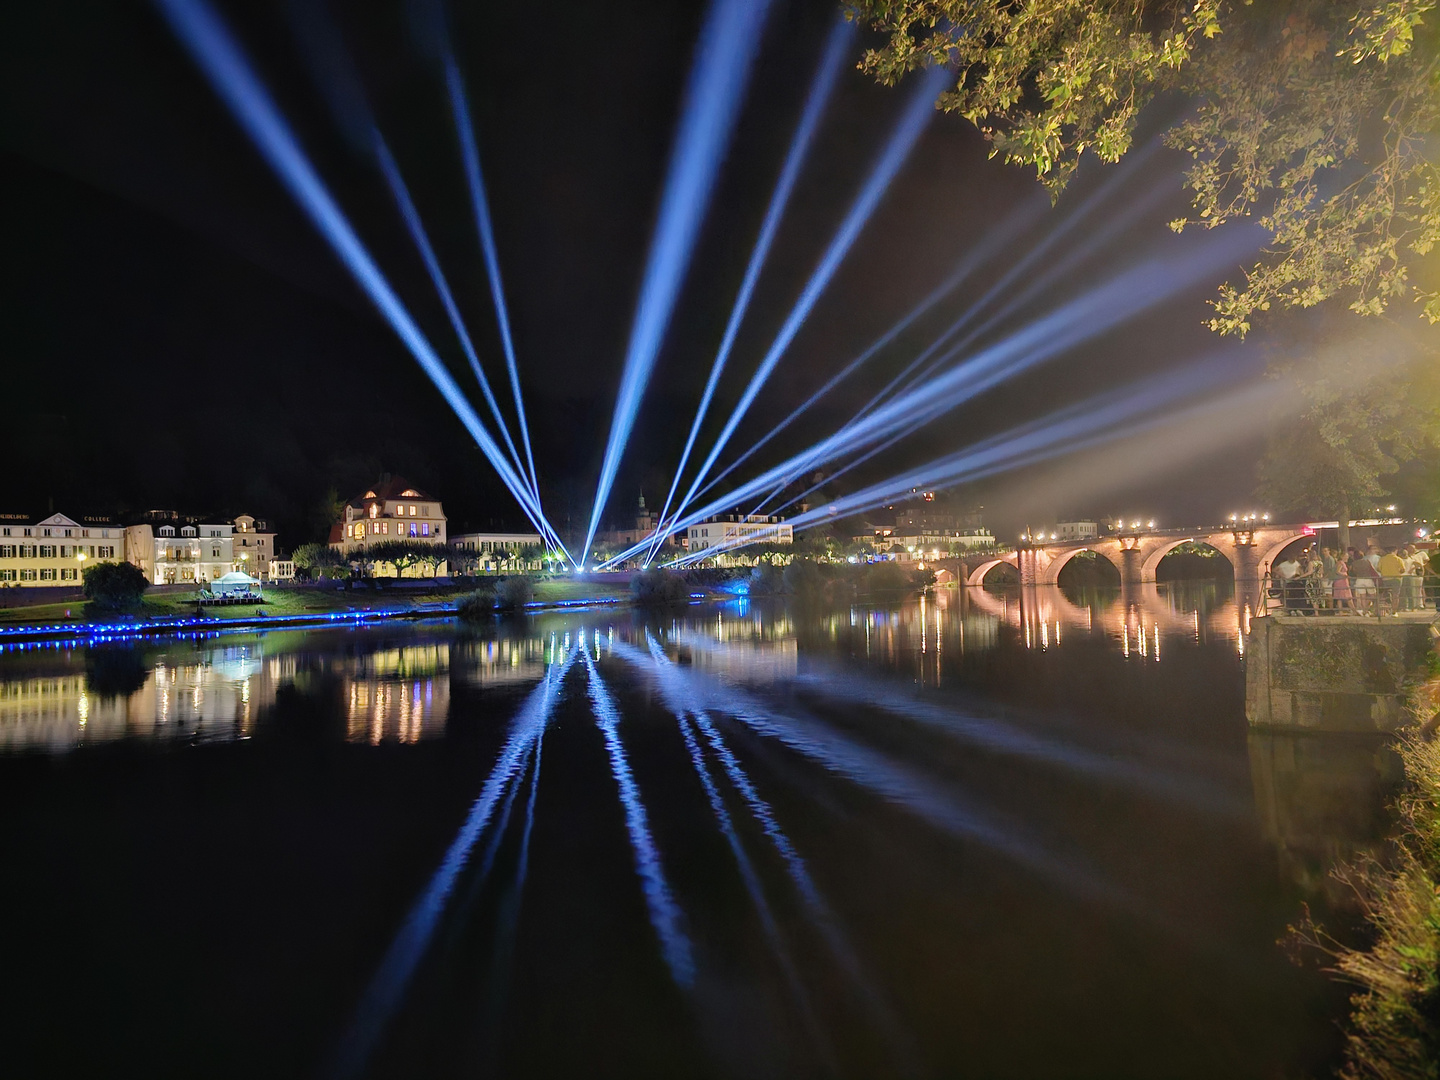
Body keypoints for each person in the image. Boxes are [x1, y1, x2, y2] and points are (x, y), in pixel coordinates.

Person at [1349, 547, 1379, 613]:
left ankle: (1365, 611)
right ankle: (1371, 608)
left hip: (1359, 580)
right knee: (1373, 596)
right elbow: (1372, 570)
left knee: (1362, 597)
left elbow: (1353, 571)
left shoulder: (1354, 563)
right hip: (1368, 579)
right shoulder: (1367, 562)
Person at [1377, 547, 1407, 611]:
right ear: (1395, 551)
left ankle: (1383, 609)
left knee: (1384, 594)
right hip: (1396, 579)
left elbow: (1378, 569)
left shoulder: (1382, 559)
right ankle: (1394, 611)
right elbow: (1403, 570)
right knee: (1395, 595)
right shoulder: (1398, 559)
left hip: (1385, 579)